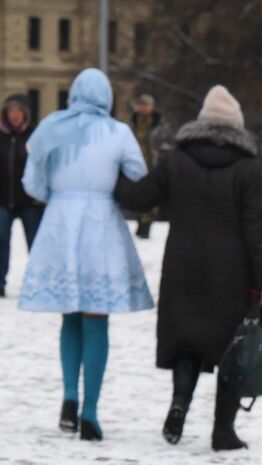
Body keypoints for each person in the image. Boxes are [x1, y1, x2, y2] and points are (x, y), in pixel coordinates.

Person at [116, 84, 262, 451]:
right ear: (236, 126)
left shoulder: (177, 160)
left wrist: (110, 177)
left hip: (182, 261)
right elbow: (258, 230)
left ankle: (179, 405)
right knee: (231, 346)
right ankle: (223, 431)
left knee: (187, 341)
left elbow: (139, 197)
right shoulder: (247, 168)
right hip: (232, 270)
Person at [19, 68, 154, 441]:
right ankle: (91, 410)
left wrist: (57, 195)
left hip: (61, 221)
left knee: (70, 315)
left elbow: (32, 181)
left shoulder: (50, 127)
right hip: (100, 224)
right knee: (97, 316)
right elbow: (138, 174)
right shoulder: (117, 132)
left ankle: (68, 397)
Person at [1, 94, 42, 298]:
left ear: (25, 113)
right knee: (0, 241)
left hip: (30, 202)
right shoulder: (1, 137)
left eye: (19, 111)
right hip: (2, 201)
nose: (15, 115)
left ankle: (37, 284)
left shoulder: (36, 137)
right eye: (11, 111)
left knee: (35, 243)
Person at [128, 94, 170, 238]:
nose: (143, 107)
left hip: (153, 166)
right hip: (135, 165)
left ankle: (146, 226)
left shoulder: (160, 124)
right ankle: (140, 223)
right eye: (141, 104)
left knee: (151, 197)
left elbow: (166, 143)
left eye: (146, 104)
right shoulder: (132, 123)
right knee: (136, 196)